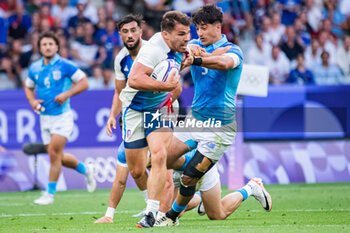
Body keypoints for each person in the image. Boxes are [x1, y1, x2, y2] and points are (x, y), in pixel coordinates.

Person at [158, 5, 272, 226]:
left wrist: (198, 59)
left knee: (204, 198)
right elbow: (180, 50)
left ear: (217, 27)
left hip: (219, 128)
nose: (199, 33)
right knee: (161, 159)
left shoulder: (234, 51)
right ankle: (200, 171)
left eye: (203, 28)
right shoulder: (194, 45)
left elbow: (224, 63)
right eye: (197, 28)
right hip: (195, 120)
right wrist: (193, 53)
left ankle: (251, 187)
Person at [119, 11, 191, 228]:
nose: (186, 38)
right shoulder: (153, 50)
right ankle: (191, 166)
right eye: (182, 34)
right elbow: (133, 79)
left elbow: (193, 51)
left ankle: (151, 212)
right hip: (134, 108)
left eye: (188, 33)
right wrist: (166, 87)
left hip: (159, 109)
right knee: (137, 169)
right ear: (166, 35)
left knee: (159, 154)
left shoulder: (181, 45)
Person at [24, 31, 96, 205]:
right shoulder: (34, 68)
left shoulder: (65, 65)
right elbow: (28, 87)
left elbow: (84, 82)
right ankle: (86, 170)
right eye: (44, 44)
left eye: (51, 44)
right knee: (58, 157)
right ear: (40, 47)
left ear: (57, 46)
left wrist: (67, 94)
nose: (47, 47)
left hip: (62, 116)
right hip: (44, 117)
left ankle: (49, 194)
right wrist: (33, 102)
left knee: (54, 155)